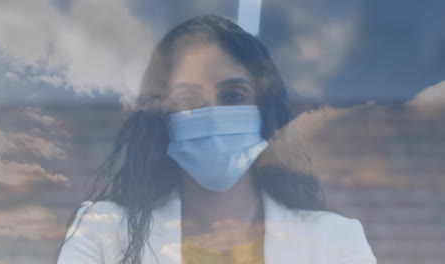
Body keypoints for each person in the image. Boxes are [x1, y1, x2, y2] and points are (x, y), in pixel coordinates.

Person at [56, 14, 377, 264]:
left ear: (263, 108)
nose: (211, 114)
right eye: (187, 100)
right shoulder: (101, 231)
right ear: (163, 117)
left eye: (233, 96)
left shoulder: (335, 241)